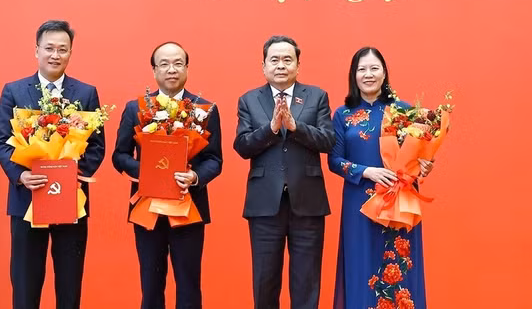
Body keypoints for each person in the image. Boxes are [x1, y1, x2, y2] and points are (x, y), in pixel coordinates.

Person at [0, 20, 105, 309]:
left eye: (62, 49)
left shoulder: (86, 93)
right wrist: (20, 176)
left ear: (70, 53)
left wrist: (74, 174)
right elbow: (2, 141)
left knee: (69, 284)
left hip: (71, 201)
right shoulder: (14, 91)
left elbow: (97, 146)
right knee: (25, 283)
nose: (55, 55)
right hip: (27, 200)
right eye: (49, 48)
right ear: (36, 50)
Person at [112, 41, 222, 309]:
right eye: (164, 64)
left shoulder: (204, 109)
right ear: (154, 70)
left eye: (178, 63)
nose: (171, 69)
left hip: (189, 208)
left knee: (188, 284)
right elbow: (119, 156)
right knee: (150, 284)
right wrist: (147, 172)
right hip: (147, 210)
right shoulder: (135, 108)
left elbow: (214, 159)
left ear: (186, 68)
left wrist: (194, 177)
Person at [233, 35, 335, 309]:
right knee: (265, 284)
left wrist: (296, 127)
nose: (281, 65)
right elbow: (242, 146)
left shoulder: (316, 96)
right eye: (274, 60)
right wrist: (271, 129)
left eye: (287, 60)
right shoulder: (249, 100)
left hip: (308, 203)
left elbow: (328, 140)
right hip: (265, 205)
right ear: (264, 66)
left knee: (306, 283)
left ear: (298, 66)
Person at [328, 46, 434, 309]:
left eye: (374, 68)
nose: (368, 74)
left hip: (398, 202)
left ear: (385, 72)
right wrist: (366, 171)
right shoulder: (343, 114)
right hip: (359, 205)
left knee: (398, 268)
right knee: (361, 266)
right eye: (361, 69)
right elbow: (334, 160)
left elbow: (421, 154)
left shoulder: (405, 112)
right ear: (353, 75)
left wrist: (425, 165)